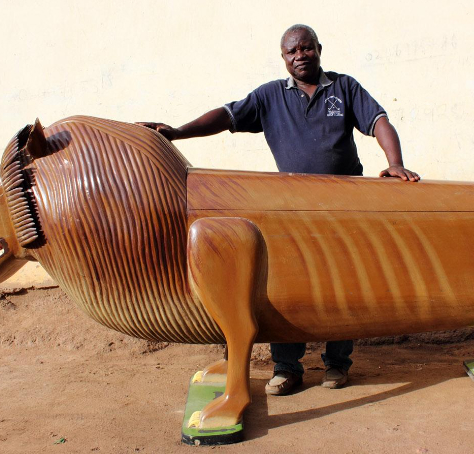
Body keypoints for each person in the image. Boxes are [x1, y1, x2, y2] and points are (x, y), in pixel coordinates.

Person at [139, 24, 420, 396]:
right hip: (290, 210)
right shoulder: (270, 97)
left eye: (306, 47)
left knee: (345, 284)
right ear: (284, 58)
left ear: (319, 49)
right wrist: (177, 132)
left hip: (345, 205)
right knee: (287, 288)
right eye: (292, 51)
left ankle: (337, 365)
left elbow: (379, 121)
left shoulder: (344, 87)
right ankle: (287, 368)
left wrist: (396, 162)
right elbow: (226, 116)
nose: (300, 55)